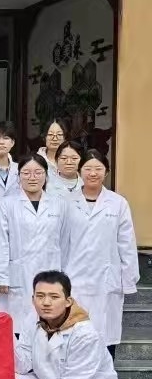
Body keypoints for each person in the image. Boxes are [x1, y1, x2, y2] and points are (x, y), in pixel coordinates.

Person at [0, 155, 79, 338]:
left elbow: (65, 241)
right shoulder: (7, 204)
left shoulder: (59, 204)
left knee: (48, 324)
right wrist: (2, 276)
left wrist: (63, 273)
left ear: (46, 176)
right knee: (18, 328)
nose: (32, 177)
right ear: (19, 176)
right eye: (26, 173)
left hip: (50, 270)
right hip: (18, 273)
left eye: (38, 172)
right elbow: (1, 241)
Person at [67, 151, 138, 356]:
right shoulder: (66, 201)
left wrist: (128, 279)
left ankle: (106, 375)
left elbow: (126, 243)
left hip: (106, 278)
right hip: (74, 277)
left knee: (105, 334)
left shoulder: (118, 203)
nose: (93, 173)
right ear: (80, 171)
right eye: (88, 168)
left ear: (106, 172)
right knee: (75, 333)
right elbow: (59, 242)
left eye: (98, 168)